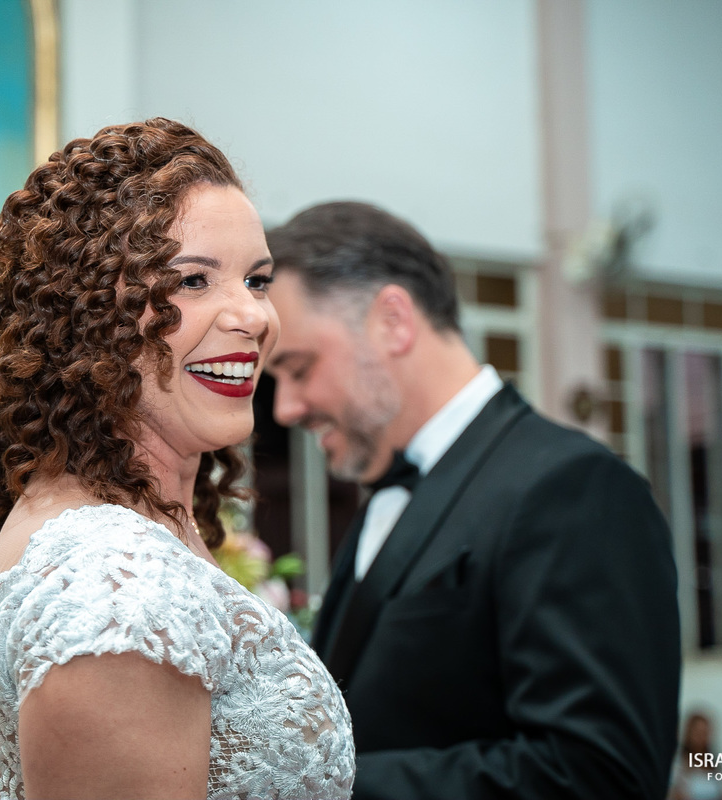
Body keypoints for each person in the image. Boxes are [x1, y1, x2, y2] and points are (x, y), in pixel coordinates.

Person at [0, 118, 354, 799]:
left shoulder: (122, 527)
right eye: (194, 280)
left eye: (257, 280)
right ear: (88, 314)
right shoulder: (113, 586)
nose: (255, 317)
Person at [264, 201, 681, 800]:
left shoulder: (572, 488)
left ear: (393, 321)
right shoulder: (387, 495)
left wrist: (315, 787)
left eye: (299, 368)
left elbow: (600, 775)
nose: (285, 408)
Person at [668, 711, 722, 800]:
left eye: (704, 733)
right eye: (697, 733)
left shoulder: (716, 763)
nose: (701, 737)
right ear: (689, 733)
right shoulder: (678, 763)